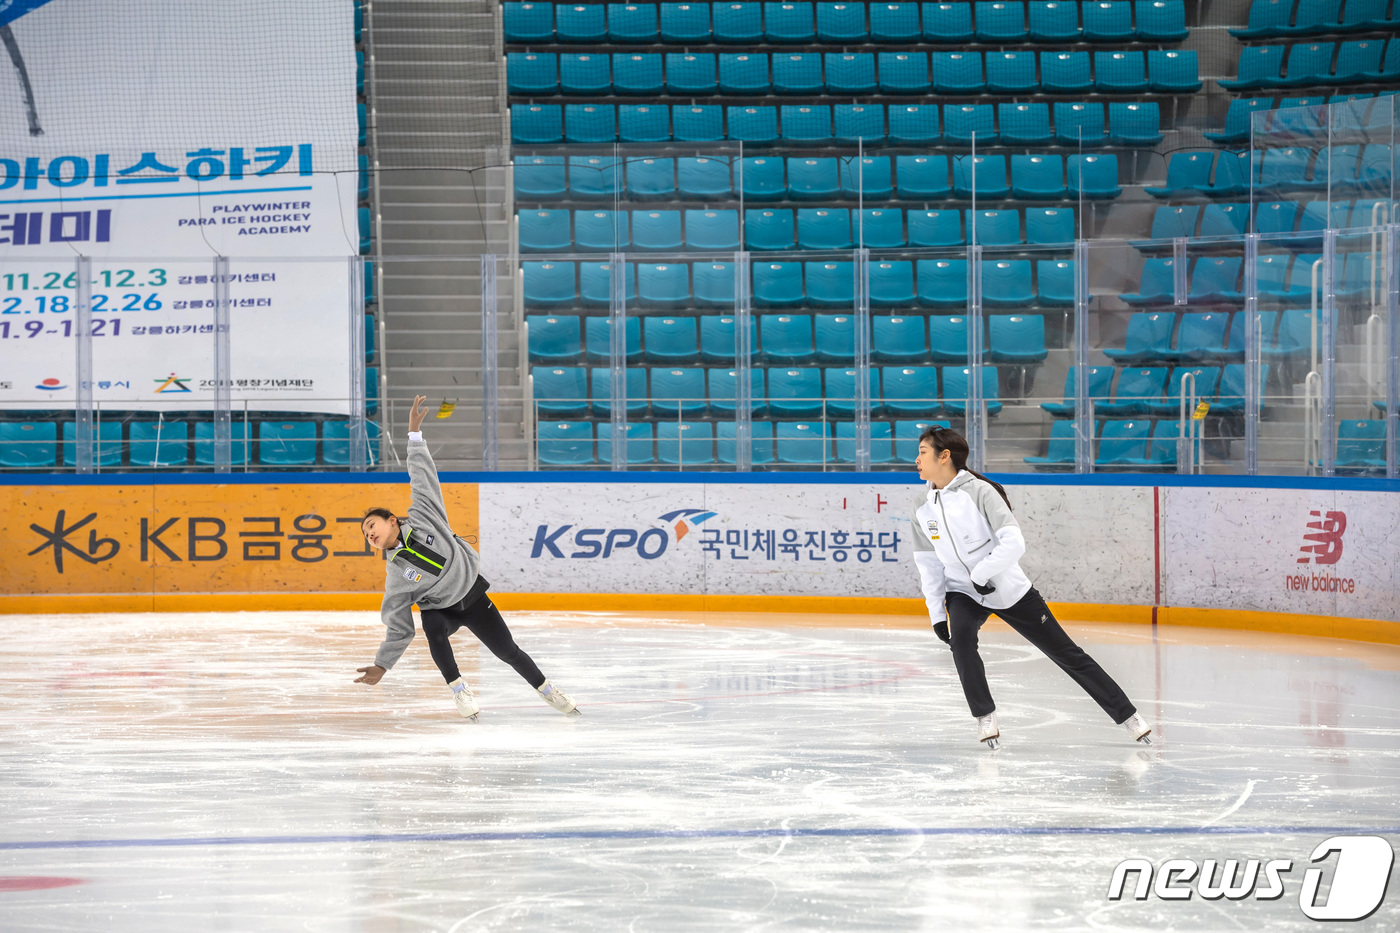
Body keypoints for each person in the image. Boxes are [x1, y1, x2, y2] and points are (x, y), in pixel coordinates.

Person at [910, 425, 1150, 749]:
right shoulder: (923, 506)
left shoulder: (979, 492)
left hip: (1008, 590)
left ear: (945, 456)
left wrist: (982, 574)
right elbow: (928, 563)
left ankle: (1128, 716)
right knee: (962, 643)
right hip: (962, 592)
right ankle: (985, 716)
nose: (917, 459)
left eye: (923, 451)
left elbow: (1014, 542)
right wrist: (936, 612)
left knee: (1068, 654)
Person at [354, 396, 580, 722]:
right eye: (365, 535)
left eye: (370, 525)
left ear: (391, 520)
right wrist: (382, 665)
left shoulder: (425, 516)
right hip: (443, 611)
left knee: (508, 652)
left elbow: (422, 478)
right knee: (430, 623)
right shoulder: (396, 575)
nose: (369, 534)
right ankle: (459, 691)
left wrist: (414, 435)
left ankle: (548, 691)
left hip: (473, 599)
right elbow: (398, 625)